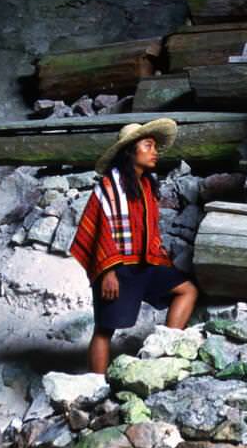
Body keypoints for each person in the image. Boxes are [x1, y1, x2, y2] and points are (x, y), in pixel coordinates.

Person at [70, 118, 199, 373]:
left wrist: (158, 254)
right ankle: (96, 386)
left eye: (155, 147)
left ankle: (165, 353)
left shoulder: (146, 184)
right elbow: (100, 231)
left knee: (187, 291)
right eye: (148, 146)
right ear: (130, 151)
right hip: (116, 269)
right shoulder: (108, 187)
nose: (155, 152)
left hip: (146, 263)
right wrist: (107, 272)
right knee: (105, 329)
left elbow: (148, 229)